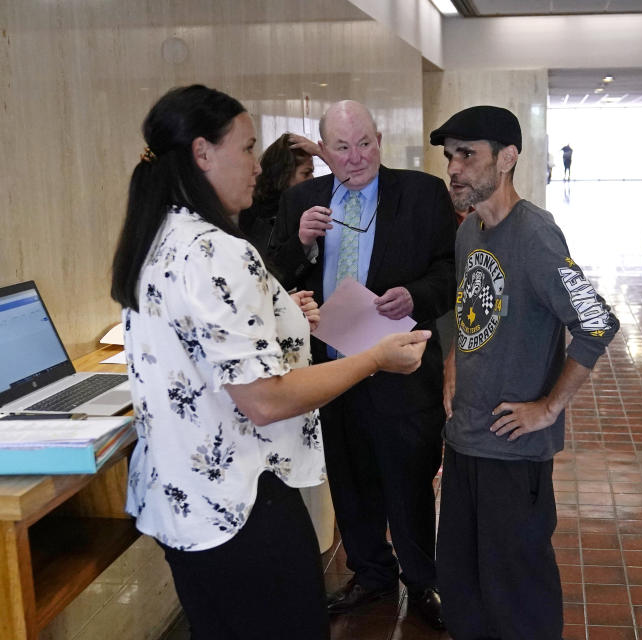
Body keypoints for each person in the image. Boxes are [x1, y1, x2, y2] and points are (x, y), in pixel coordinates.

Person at [109, 85, 430, 640]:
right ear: (203, 153)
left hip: (182, 498)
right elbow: (263, 398)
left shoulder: (159, 234)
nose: (259, 167)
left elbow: (212, 352)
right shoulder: (216, 250)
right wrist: (376, 357)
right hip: (238, 500)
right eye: (248, 148)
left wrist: (287, 321)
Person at [429, 106, 620, 640]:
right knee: (463, 586)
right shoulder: (470, 233)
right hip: (465, 441)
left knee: (518, 598)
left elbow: (597, 321)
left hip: (512, 455)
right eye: (450, 157)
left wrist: (548, 408)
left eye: (467, 154)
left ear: (508, 158)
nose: (455, 168)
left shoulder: (536, 236)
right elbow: (472, 311)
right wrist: (451, 363)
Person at [269, 100, 455, 629]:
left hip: (400, 364)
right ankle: (371, 573)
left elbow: (450, 270)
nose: (356, 158)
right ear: (323, 150)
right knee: (349, 480)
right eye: (342, 148)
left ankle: (423, 580)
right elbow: (272, 276)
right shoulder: (303, 199)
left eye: (365, 143)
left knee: (410, 478)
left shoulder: (421, 194)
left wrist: (414, 295)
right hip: (329, 369)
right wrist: (299, 242)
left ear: (380, 139)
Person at [238, 132, 314, 252]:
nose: (312, 179)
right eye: (306, 173)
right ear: (285, 175)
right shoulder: (252, 214)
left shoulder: (303, 210)